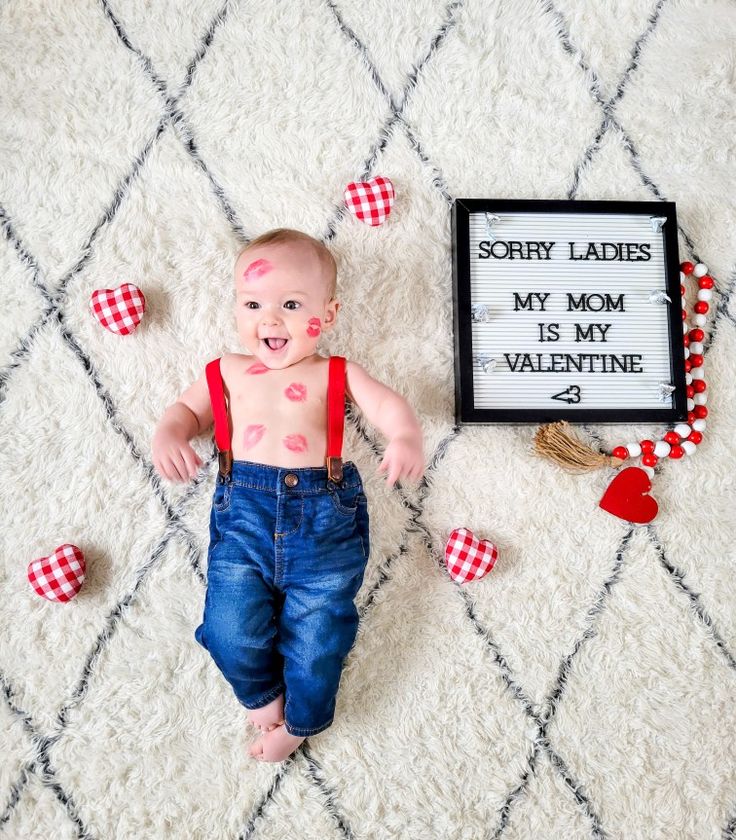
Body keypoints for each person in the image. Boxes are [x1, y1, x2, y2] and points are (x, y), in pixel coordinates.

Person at [152, 228, 424, 762]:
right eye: (253, 303)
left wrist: (405, 435)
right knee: (228, 627)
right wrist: (171, 432)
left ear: (331, 311)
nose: (270, 320)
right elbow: (184, 411)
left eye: (292, 305)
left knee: (321, 634)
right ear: (235, 305)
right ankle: (261, 691)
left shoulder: (334, 372)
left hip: (324, 519)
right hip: (245, 518)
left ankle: (302, 721)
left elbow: (388, 404)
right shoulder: (227, 369)